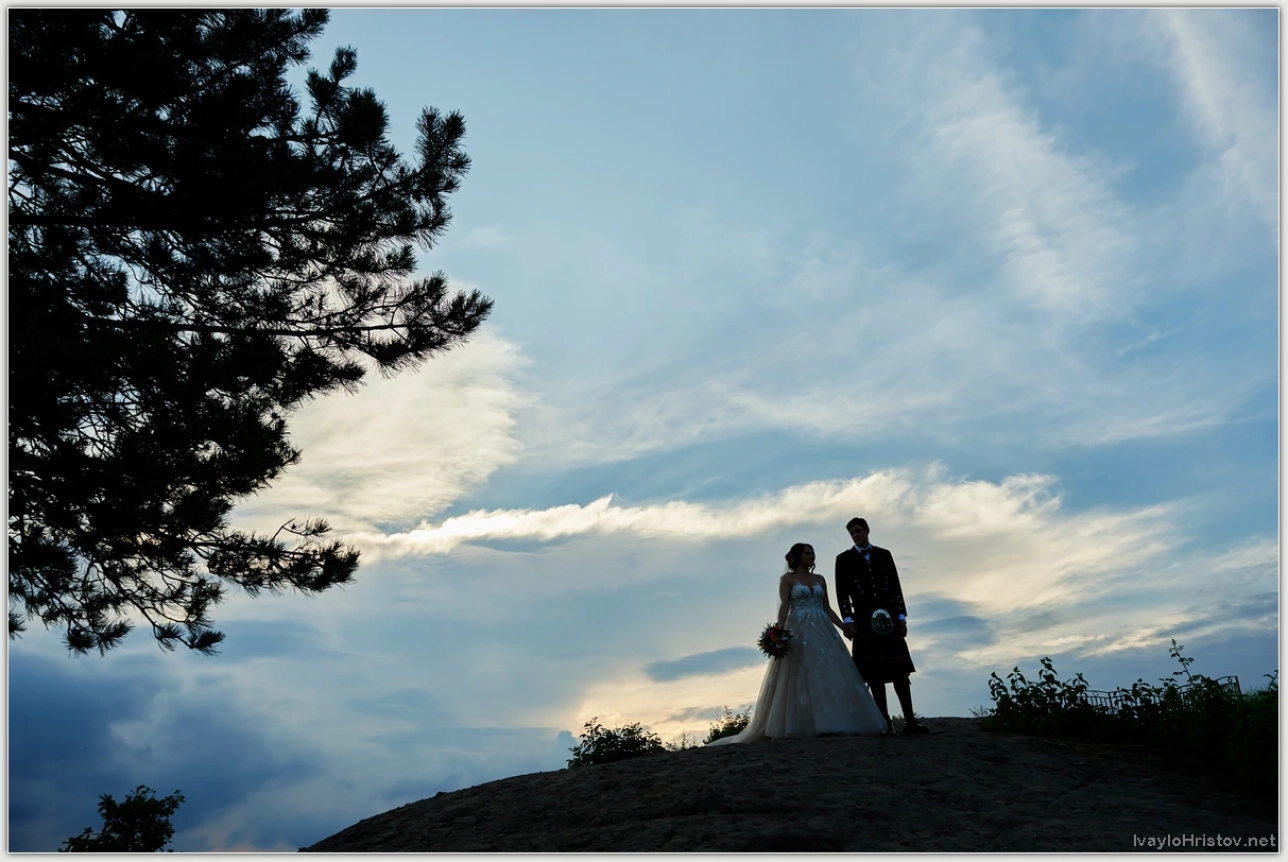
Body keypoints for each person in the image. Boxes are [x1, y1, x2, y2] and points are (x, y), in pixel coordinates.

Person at [709, 543, 888, 744]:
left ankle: (833, 722)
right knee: (801, 673)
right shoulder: (788, 579)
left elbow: (827, 607)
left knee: (829, 672)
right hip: (798, 629)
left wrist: (844, 626)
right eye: (807, 552)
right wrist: (778, 630)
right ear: (797, 557)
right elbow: (785, 604)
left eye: (813, 552)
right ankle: (803, 724)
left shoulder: (820, 579)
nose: (812, 556)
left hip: (822, 628)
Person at [835, 517, 931, 736]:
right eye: (852, 533)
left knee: (900, 670)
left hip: (888, 619)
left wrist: (901, 617)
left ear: (867, 530)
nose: (856, 535)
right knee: (874, 672)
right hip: (863, 619)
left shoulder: (884, 555)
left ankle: (910, 721)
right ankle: (885, 723)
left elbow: (896, 586)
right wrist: (848, 621)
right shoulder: (844, 559)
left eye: (858, 531)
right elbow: (842, 592)